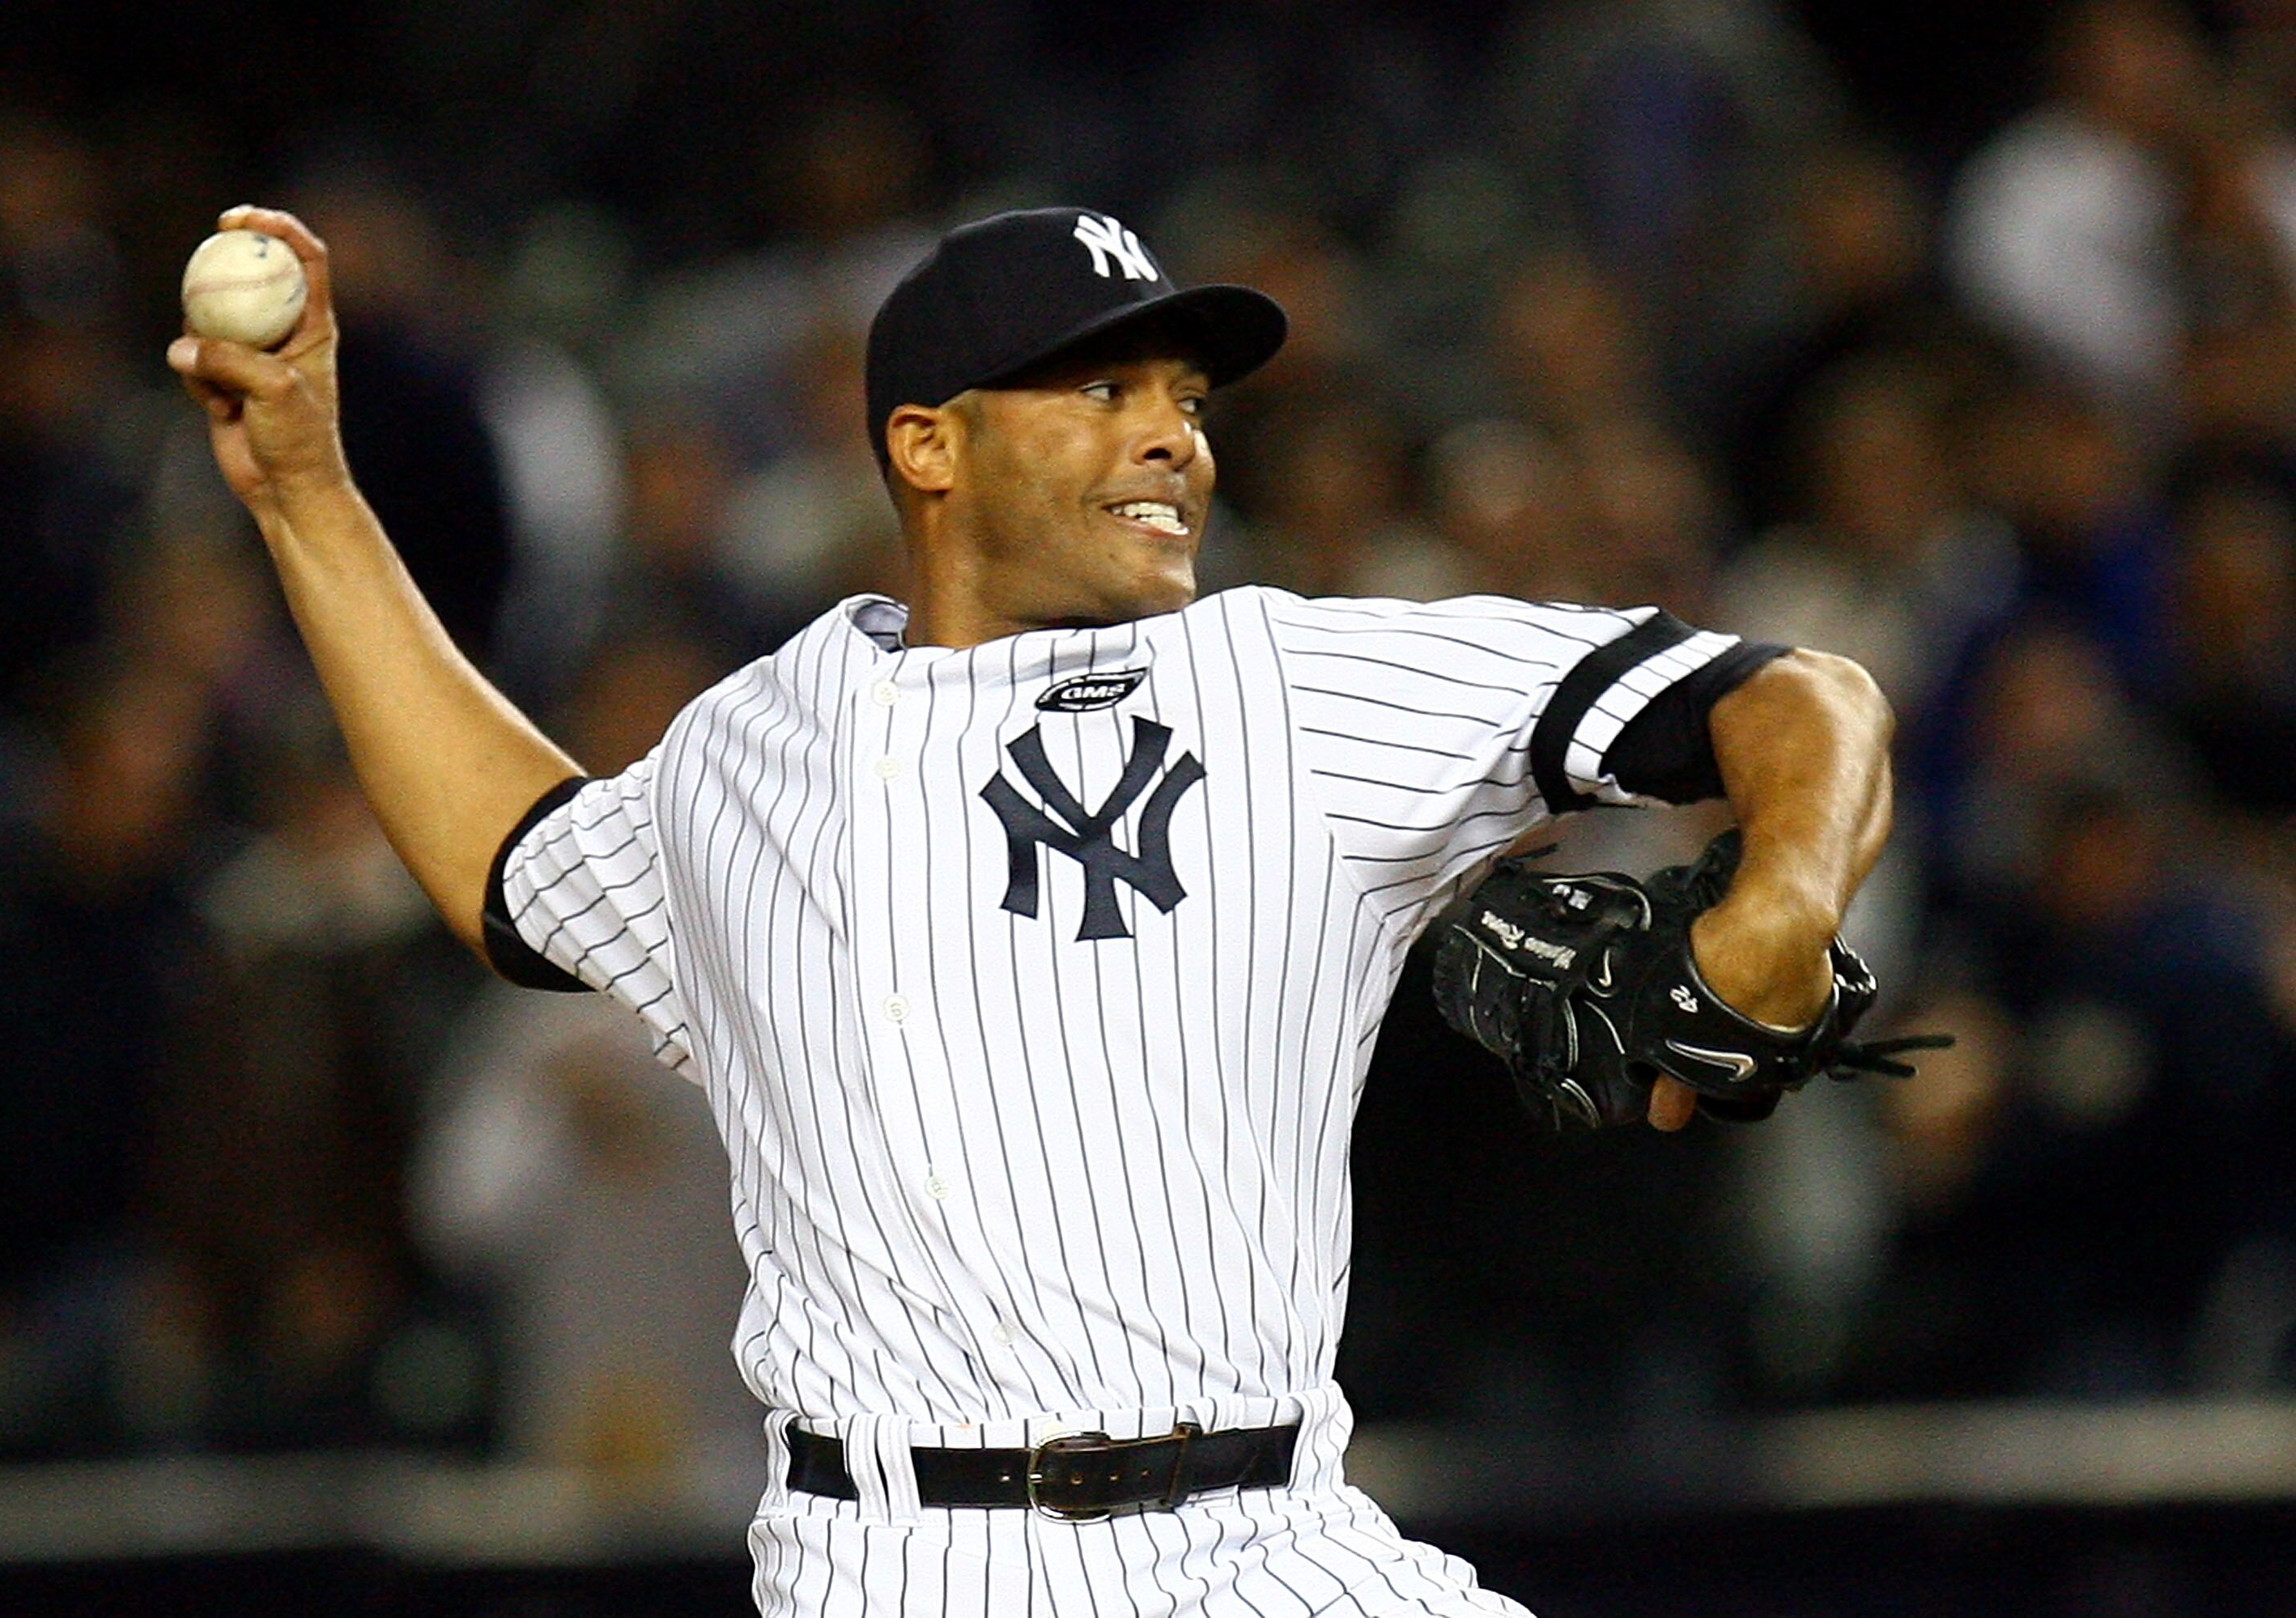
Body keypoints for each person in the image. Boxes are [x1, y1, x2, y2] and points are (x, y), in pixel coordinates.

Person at [169, 202, 1894, 1616]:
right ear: (928, 444)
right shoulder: (755, 748)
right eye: (1101, 387)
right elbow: (513, 864)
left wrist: (1784, 900)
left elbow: (1799, 698)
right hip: (908, 1561)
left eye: (1189, 398)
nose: (1173, 435)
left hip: (1276, 1539)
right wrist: (311, 497)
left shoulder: (1301, 683)